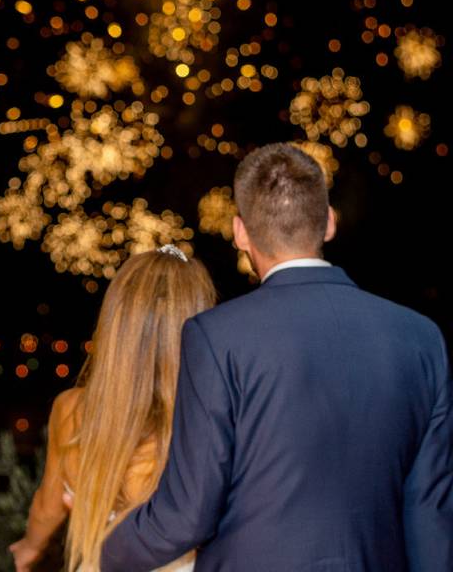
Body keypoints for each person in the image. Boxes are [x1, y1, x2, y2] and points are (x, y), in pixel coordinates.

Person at [101, 143, 452, 571]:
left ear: (240, 232)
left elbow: (186, 514)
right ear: (328, 223)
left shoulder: (215, 337)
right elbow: (430, 516)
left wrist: (108, 554)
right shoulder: (421, 338)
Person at [10, 245, 216, 572]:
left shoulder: (70, 410)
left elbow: (47, 509)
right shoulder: (210, 425)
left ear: (115, 323)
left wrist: (29, 548)